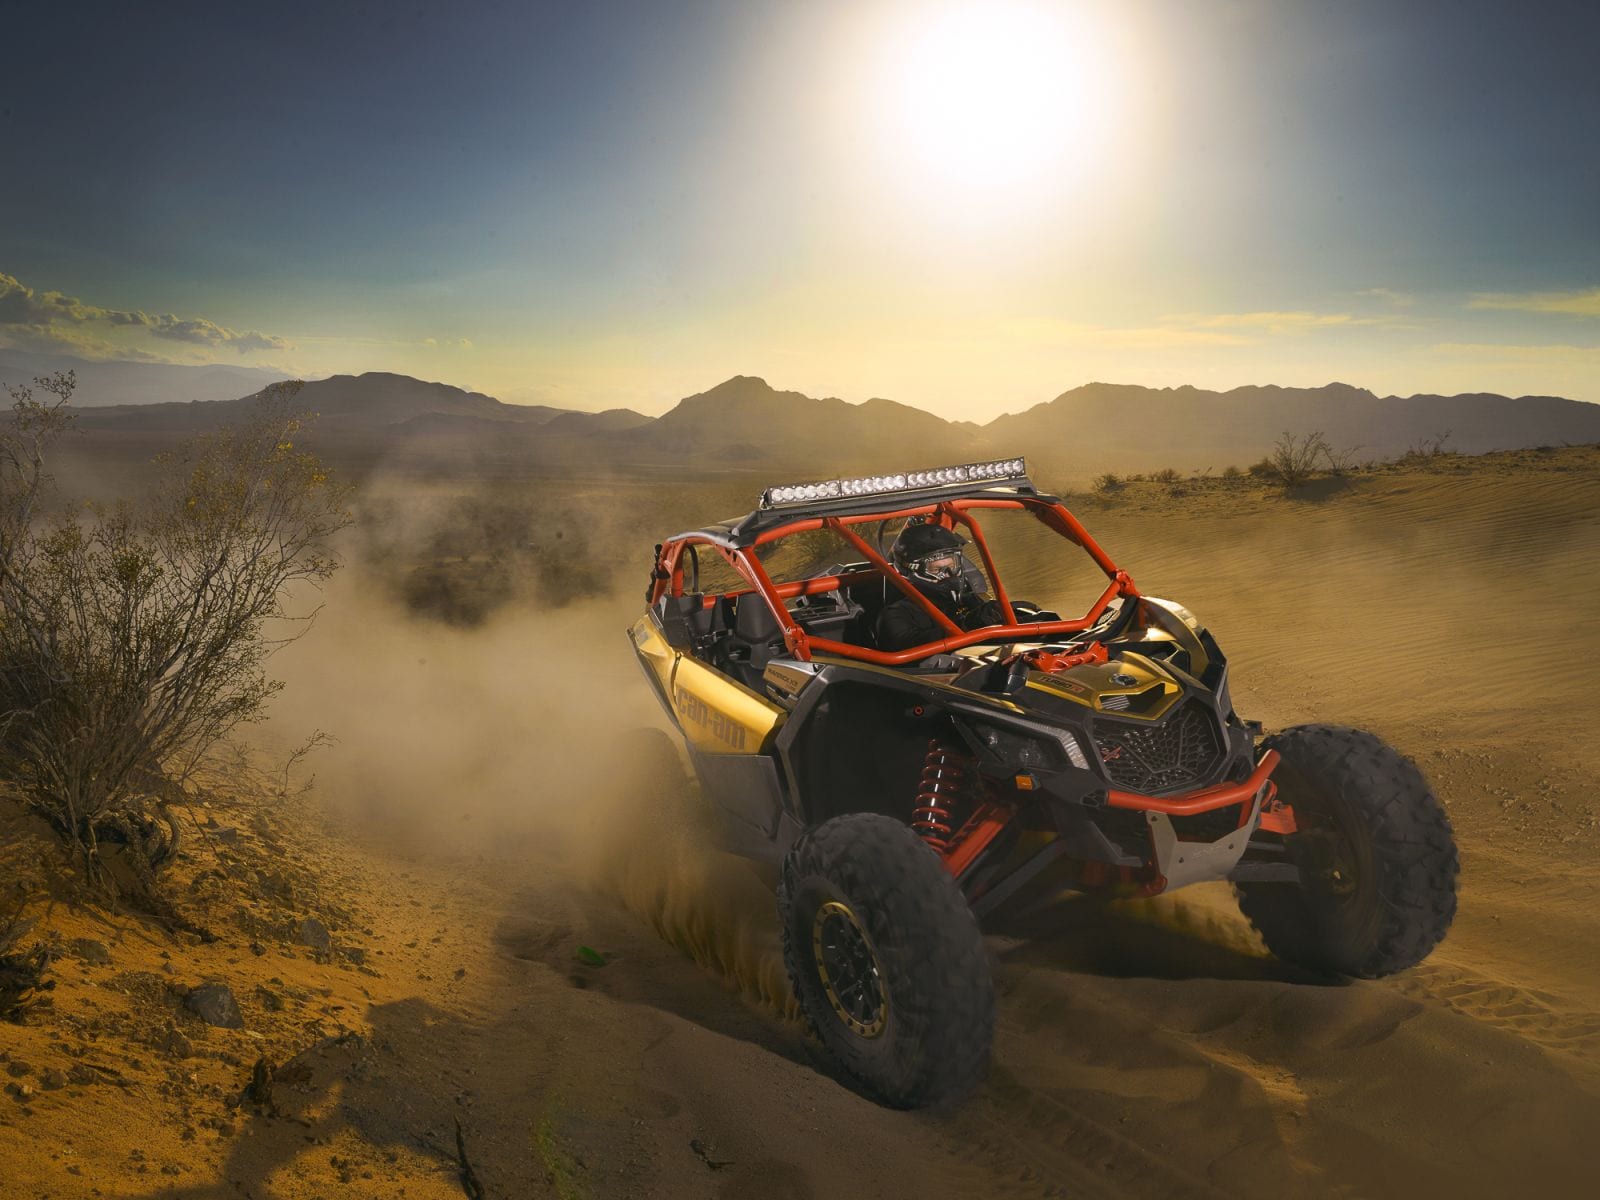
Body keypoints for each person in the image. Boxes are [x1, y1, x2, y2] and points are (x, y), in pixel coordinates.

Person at [874, 523, 1010, 651]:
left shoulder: (966, 599)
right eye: (936, 569)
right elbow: (906, 646)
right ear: (910, 570)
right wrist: (968, 626)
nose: (948, 574)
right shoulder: (896, 613)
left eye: (952, 566)